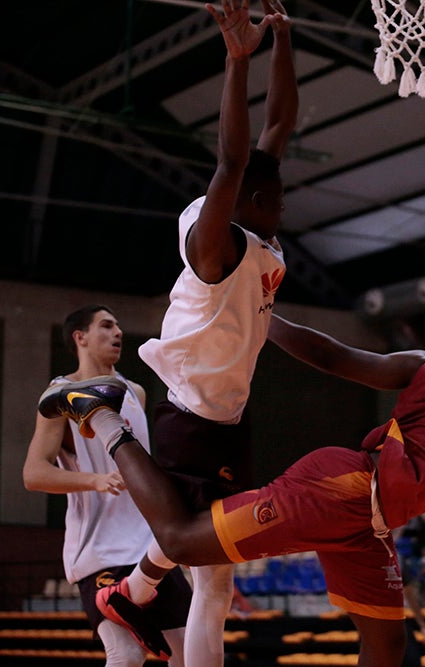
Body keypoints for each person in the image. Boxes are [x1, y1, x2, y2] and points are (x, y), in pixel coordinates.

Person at [38, 307, 425, 666]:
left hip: (370, 525)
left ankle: (135, 589)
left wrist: (265, 316)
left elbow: (337, 356)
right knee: (182, 538)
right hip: (342, 489)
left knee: (387, 644)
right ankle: (103, 417)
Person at [88, 3, 299, 666]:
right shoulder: (215, 244)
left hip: (230, 421)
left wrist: (285, 40)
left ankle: (135, 590)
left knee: (218, 579)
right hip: (188, 422)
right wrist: (237, 63)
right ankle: (103, 425)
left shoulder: (259, 238)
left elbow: (280, 124)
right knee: (204, 565)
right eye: (278, 195)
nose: (285, 203)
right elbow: (235, 158)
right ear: (253, 201)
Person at [22, 305, 192, 664]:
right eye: (106, 325)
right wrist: (95, 480)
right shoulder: (59, 395)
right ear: (79, 337)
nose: (118, 332)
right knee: (127, 655)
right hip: (100, 552)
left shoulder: (136, 392)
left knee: (188, 652)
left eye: (118, 326)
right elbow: (33, 474)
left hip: (150, 546)